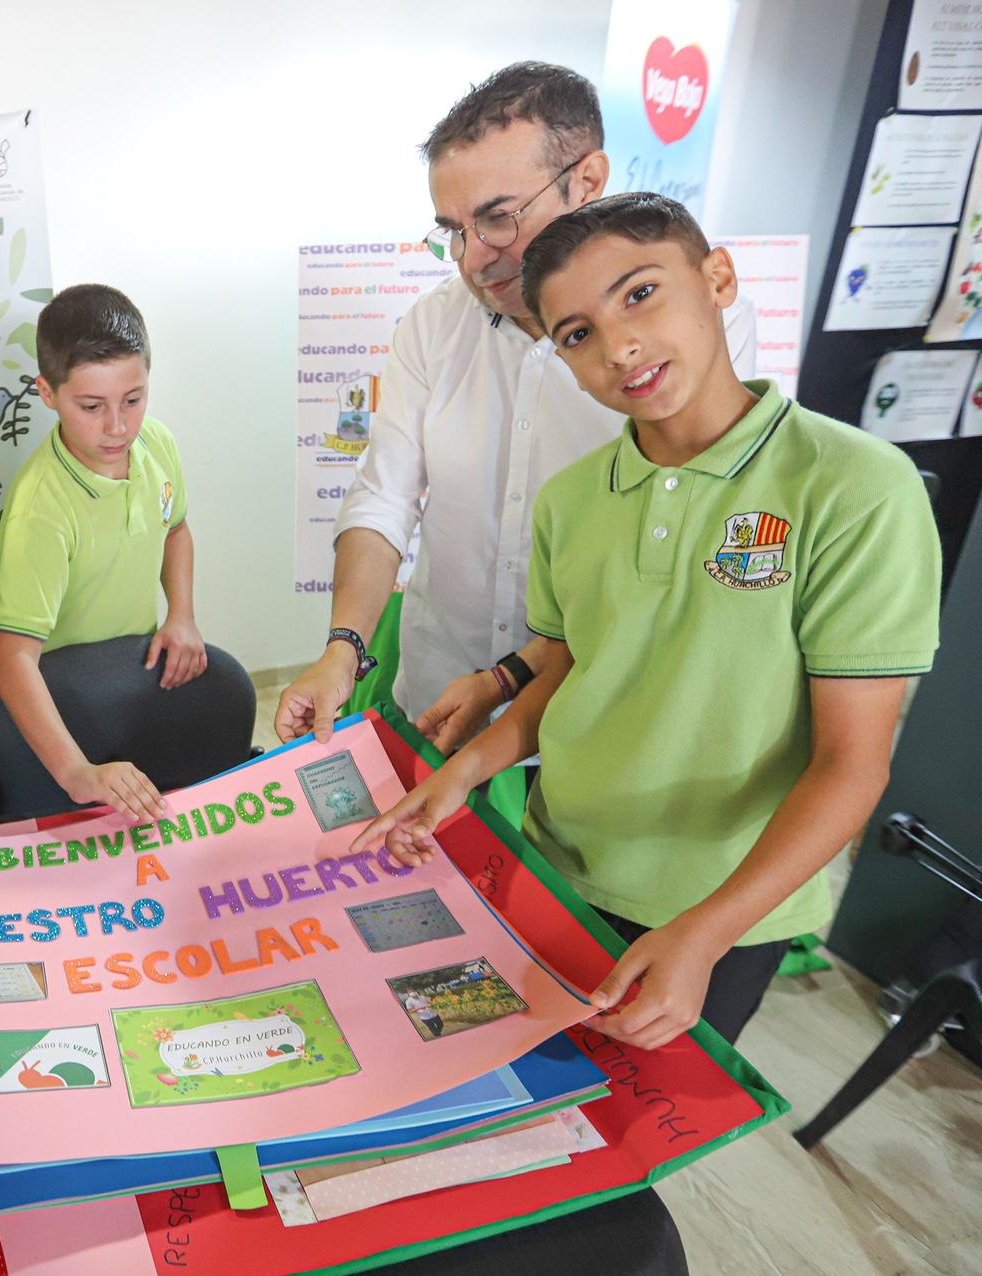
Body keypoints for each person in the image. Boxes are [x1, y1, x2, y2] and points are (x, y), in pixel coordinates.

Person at [354, 193, 940, 1049]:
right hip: (559, 863)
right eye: (577, 334)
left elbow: (853, 765)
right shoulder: (572, 500)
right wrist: (465, 769)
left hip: (722, 905)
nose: (619, 346)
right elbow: (570, 670)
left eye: (640, 294)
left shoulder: (853, 487)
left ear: (718, 278)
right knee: (514, 1096)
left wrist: (704, 933)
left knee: (633, 1120)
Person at [275, 61, 755, 766]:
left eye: (499, 218)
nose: (474, 258)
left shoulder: (684, 331)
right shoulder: (432, 326)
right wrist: (343, 648)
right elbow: (383, 497)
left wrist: (509, 681)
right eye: (454, 230)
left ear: (587, 180)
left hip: (596, 717)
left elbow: (666, 553)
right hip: (440, 692)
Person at [0, 284, 255, 821]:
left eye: (133, 399)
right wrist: (77, 772)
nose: (118, 427)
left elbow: (175, 530)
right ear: (47, 393)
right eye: (91, 406)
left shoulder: (155, 444)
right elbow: (12, 662)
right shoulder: (40, 510)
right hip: (61, 712)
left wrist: (181, 614)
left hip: (131, 683)